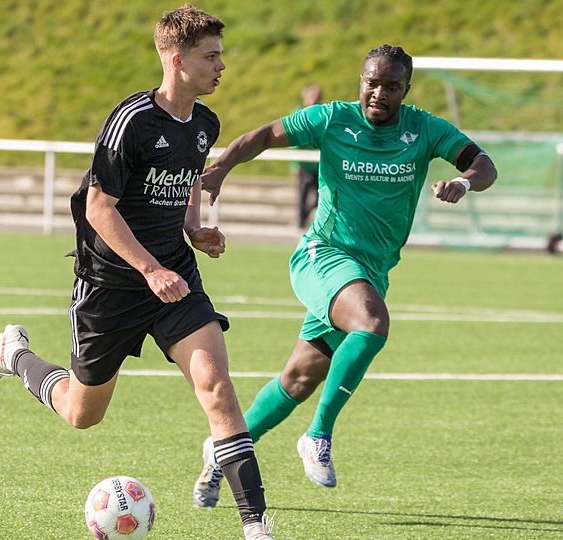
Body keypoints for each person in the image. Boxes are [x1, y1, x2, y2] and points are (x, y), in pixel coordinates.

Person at [0, 6, 273, 539]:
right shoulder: (131, 122)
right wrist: (150, 269)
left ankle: (256, 527)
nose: (222, 66)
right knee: (82, 413)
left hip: (174, 278)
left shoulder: (206, 123)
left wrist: (193, 230)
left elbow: (186, 182)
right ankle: (14, 355)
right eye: (211, 56)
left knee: (217, 388)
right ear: (177, 61)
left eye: (220, 55)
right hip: (110, 285)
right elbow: (98, 208)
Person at [191, 44, 496, 505]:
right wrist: (221, 169)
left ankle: (221, 451)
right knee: (372, 323)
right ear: (361, 81)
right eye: (372, 83)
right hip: (323, 256)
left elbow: (485, 164)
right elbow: (265, 135)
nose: (379, 93)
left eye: (391, 86)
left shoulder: (425, 129)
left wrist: (463, 181)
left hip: (369, 273)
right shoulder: (332, 119)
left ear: (406, 89)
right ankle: (317, 435)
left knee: (298, 379)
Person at [291, 84, 323, 228]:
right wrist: (295, 164)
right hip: (303, 163)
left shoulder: (322, 114)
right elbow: (293, 141)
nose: (315, 100)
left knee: (319, 196)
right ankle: (300, 222)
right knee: (302, 195)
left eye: (318, 97)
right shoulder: (298, 114)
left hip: (319, 164)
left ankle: (307, 218)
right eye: (312, 96)